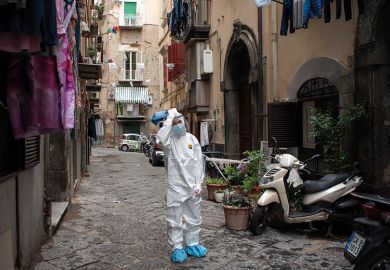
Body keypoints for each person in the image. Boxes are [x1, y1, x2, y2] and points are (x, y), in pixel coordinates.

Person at [156, 108, 208, 263]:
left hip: (193, 188)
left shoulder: (192, 139)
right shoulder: (168, 142)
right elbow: (161, 136)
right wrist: (170, 115)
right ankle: (177, 247)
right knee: (174, 218)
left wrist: (199, 183)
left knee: (194, 216)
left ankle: (192, 243)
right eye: (174, 123)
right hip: (176, 187)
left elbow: (199, 162)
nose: (178, 125)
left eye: (180, 122)